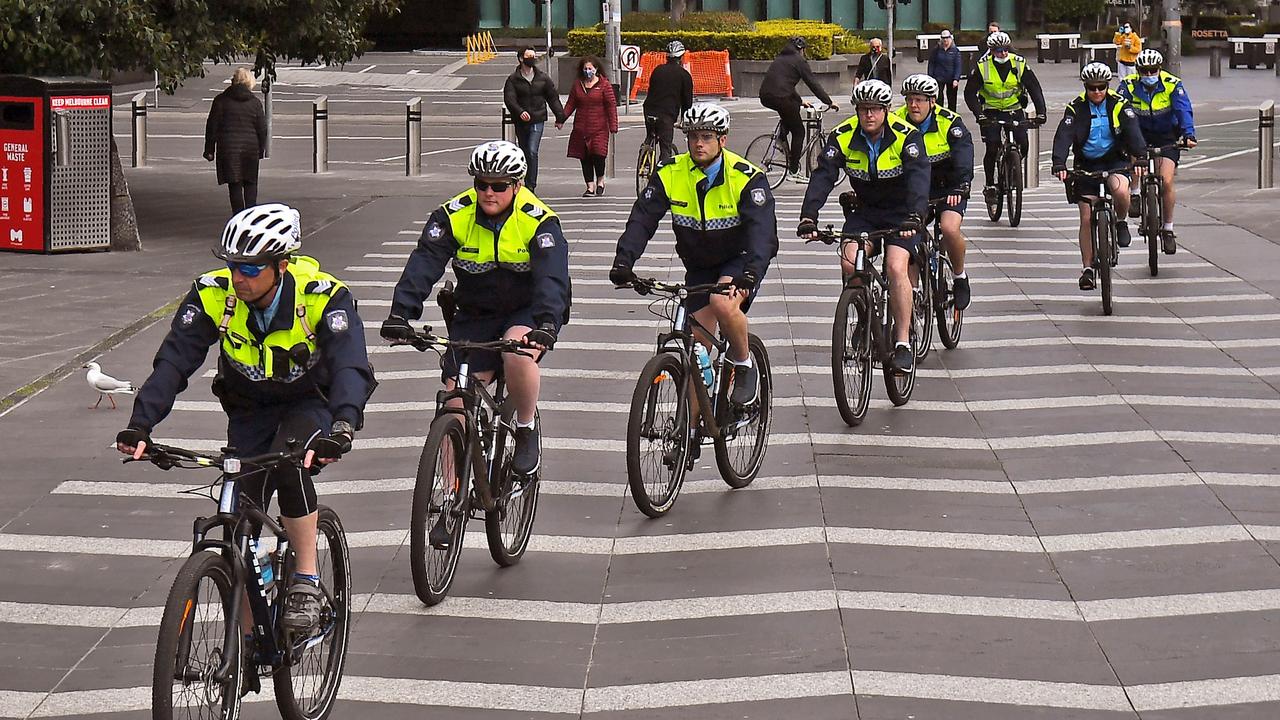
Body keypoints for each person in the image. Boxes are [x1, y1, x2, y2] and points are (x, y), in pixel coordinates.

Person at [116, 203, 374, 634]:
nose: (239, 277)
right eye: (234, 266)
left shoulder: (323, 296)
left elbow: (351, 366)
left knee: (290, 463)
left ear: (282, 265)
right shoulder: (212, 293)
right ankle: (250, 643)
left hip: (309, 402)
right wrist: (142, 424)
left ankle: (307, 579)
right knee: (240, 513)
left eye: (252, 269)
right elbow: (174, 363)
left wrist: (343, 426)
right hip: (249, 406)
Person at [381, 141, 570, 476]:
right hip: (475, 312)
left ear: (517, 185)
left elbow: (551, 279)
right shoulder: (454, 215)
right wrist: (401, 314)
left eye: (499, 186)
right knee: (454, 402)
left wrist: (547, 324)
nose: (488, 193)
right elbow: (425, 261)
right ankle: (448, 503)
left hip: (528, 311)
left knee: (517, 353)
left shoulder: (538, 221)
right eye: (481, 184)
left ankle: (525, 429)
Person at [611, 103, 778, 406]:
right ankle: (688, 435)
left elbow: (763, 234)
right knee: (695, 355)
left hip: (738, 260)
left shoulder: (745, 177)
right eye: (692, 137)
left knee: (723, 304)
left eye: (706, 137)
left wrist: (751, 273)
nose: (698, 143)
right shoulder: (671, 172)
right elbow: (643, 218)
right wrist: (625, 260)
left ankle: (743, 364)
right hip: (699, 266)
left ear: (722, 140)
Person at [798, 80, 929, 375]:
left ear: (886, 110)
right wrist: (809, 217)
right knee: (849, 261)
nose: (869, 115)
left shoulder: (907, 136)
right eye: (863, 109)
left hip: (901, 214)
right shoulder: (842, 136)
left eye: (875, 109)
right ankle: (863, 315)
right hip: (865, 212)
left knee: (897, 267)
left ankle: (903, 343)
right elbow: (823, 177)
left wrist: (916, 216)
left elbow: (920, 179)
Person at [1051, 63, 1146, 291]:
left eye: (1101, 87)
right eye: (1092, 88)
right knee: (1085, 215)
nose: (1097, 92)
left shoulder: (1119, 104)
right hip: (1086, 164)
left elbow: (1133, 130)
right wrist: (1059, 162)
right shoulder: (1075, 108)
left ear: (1107, 85)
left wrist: (1140, 156)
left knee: (1121, 190)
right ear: (1086, 87)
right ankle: (1087, 269)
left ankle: (1121, 221)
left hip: (1115, 160)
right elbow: (1064, 134)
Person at [894, 74, 975, 310]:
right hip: (915, 190)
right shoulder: (895, 121)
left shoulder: (950, 122)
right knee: (908, 236)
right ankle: (915, 291)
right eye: (909, 100)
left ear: (932, 101)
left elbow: (964, 156)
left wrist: (961, 185)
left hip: (947, 188)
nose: (913, 105)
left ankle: (959, 276)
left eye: (919, 100)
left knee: (949, 228)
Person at [1117, 48, 1197, 254]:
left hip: (1166, 136)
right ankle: (1134, 193)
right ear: (1138, 70)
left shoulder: (1173, 84)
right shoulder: (1128, 85)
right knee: (1133, 147)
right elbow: (1116, 110)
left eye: (1153, 71)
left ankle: (1168, 228)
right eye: (1145, 71)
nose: (1149, 75)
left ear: (1160, 69)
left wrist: (1188, 134)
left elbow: (1183, 109)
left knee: (1167, 181)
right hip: (1139, 134)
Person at [965, 31, 1047, 211]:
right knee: (992, 147)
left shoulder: (1019, 63)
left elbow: (1034, 88)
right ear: (991, 50)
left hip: (1014, 110)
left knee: (1024, 144)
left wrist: (1041, 112)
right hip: (991, 112)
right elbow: (969, 94)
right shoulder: (982, 67)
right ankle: (990, 185)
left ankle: (1013, 167)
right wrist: (980, 115)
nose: (1002, 54)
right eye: (997, 50)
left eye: (1005, 50)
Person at [758, 37, 838, 182]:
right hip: (781, 97)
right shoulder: (799, 61)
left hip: (766, 96)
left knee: (789, 112)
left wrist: (800, 101)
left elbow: (784, 84)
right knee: (799, 131)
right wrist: (828, 101)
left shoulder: (781, 59)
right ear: (802, 50)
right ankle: (794, 170)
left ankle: (781, 138)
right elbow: (812, 83)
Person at [503, 46, 566, 192]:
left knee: (532, 150)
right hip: (521, 121)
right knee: (524, 150)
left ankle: (531, 185)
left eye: (534, 56)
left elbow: (553, 98)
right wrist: (520, 112)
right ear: (521, 59)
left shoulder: (542, 78)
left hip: (537, 118)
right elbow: (509, 99)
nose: (533, 59)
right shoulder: (513, 79)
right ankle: (523, 178)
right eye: (529, 56)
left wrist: (560, 117)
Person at [204, 67, 267, 212]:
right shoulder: (255, 103)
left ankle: (238, 219)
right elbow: (262, 129)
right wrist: (261, 149)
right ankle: (251, 220)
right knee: (251, 184)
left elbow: (212, 126)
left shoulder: (220, 100)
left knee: (235, 185)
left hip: (229, 149)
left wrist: (209, 150)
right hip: (250, 149)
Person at [558, 55, 618, 197]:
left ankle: (600, 181)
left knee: (598, 155)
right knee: (584, 158)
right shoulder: (578, 85)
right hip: (581, 128)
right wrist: (561, 119)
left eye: (590, 68)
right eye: (585, 69)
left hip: (599, 128)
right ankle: (589, 186)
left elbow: (611, 106)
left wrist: (613, 125)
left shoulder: (604, 85)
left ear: (596, 69)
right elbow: (571, 104)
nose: (587, 71)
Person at [643, 40, 694, 162]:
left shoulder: (658, 70)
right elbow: (687, 102)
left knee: (651, 135)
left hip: (649, 109)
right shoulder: (684, 75)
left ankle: (645, 153)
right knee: (665, 148)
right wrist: (684, 120)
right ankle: (661, 174)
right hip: (666, 114)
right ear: (681, 57)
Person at [927, 30, 962, 110]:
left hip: (951, 77)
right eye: (943, 38)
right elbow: (931, 63)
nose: (945, 40)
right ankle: (939, 112)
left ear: (950, 38)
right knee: (938, 97)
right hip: (939, 76)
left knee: (952, 98)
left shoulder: (955, 51)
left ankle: (952, 114)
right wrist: (930, 76)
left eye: (947, 38)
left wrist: (956, 79)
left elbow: (958, 66)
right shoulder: (936, 50)